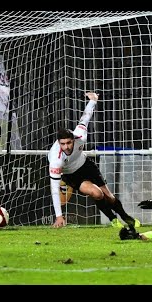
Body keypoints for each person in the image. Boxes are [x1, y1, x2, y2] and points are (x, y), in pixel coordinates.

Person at [47, 92, 141, 229]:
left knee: (109, 196)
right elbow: (55, 189)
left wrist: (93, 101)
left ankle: (126, 217)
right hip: (71, 175)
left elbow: (85, 118)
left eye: (69, 143)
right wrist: (59, 216)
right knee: (97, 193)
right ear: (59, 143)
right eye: (63, 144)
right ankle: (113, 219)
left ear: (73, 139)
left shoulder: (80, 136)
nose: (66, 147)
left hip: (86, 165)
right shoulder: (56, 159)